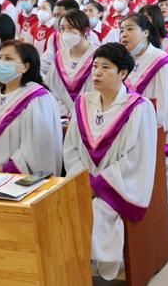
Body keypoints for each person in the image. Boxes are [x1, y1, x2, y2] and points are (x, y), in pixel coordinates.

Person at [62, 43, 158, 281]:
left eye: (106, 67)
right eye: (95, 66)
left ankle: (92, 267)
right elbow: (71, 147)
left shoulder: (139, 108)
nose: (97, 72)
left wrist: (98, 186)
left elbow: (137, 159)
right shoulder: (83, 102)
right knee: (58, 207)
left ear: (123, 73)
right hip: (83, 180)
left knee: (97, 211)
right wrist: (81, 178)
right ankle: (67, 267)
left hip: (118, 188)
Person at [0, 40, 63, 174]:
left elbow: (39, 145)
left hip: (18, 180)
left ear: (25, 67)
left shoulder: (38, 99)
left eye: (8, 58)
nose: (0, 62)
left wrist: (7, 169)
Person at [119, 13, 168, 200]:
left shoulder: (163, 62)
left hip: (156, 131)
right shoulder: (123, 62)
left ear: (145, 33)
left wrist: (150, 137)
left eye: (130, 29)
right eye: (121, 30)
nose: (124, 34)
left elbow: (167, 109)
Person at [44, 10, 96, 119]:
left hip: (88, 116)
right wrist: (62, 110)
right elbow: (51, 87)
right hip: (62, 117)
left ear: (86, 31)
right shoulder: (60, 56)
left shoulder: (97, 56)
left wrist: (79, 110)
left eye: (71, 27)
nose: (66, 32)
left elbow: (99, 91)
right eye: (62, 28)